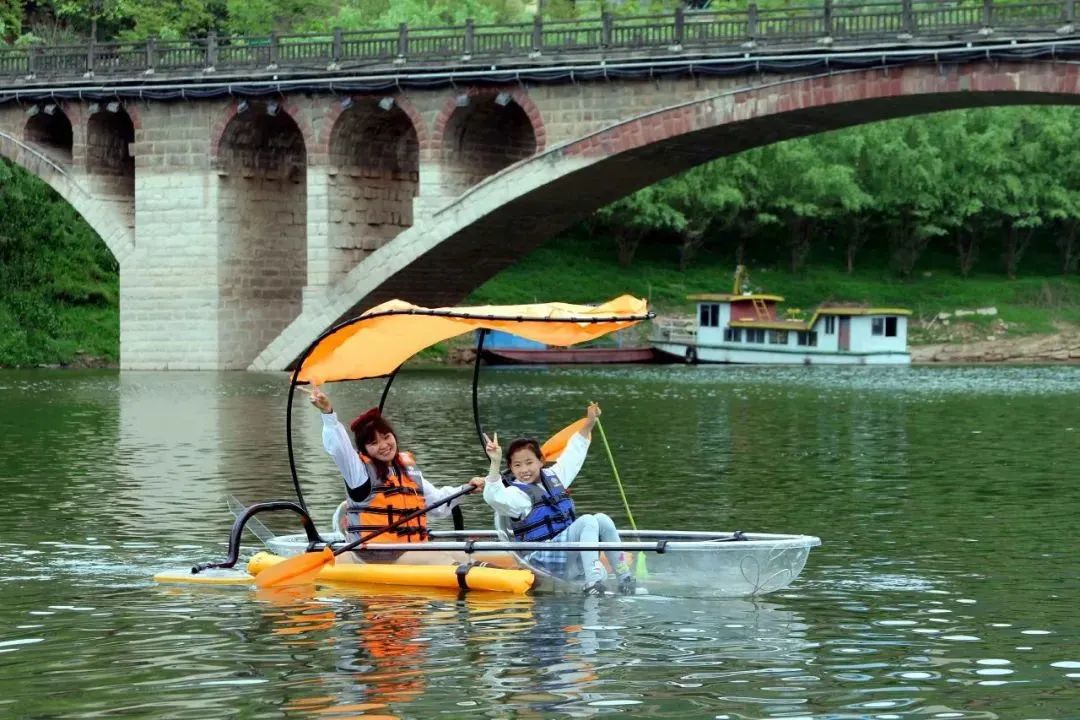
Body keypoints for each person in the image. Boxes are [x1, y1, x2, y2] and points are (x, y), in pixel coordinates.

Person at [307, 384, 484, 565]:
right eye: (374, 442)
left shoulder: (408, 470)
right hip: (376, 553)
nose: (383, 445)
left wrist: (466, 489)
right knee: (440, 558)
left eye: (386, 436)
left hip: (412, 548)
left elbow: (437, 504)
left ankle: (503, 576)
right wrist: (328, 414)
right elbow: (339, 448)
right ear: (365, 449)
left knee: (466, 556)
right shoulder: (359, 473)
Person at [480, 402, 635, 596]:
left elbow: (574, 452)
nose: (524, 470)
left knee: (602, 519)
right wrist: (495, 462)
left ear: (541, 461)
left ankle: (624, 578)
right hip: (540, 558)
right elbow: (494, 497)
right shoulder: (516, 495)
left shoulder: (554, 476)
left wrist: (589, 423)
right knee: (587, 521)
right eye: (517, 465)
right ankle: (593, 582)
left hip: (566, 554)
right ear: (511, 469)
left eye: (529, 462)